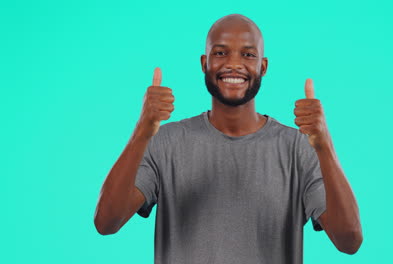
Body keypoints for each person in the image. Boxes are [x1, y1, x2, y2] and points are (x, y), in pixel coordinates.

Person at [94, 14, 363, 264]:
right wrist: (141, 131)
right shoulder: (165, 142)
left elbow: (349, 241)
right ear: (204, 63)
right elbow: (106, 223)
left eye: (248, 54)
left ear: (263, 66)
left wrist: (325, 146)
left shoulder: (298, 148)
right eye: (221, 52)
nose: (234, 63)